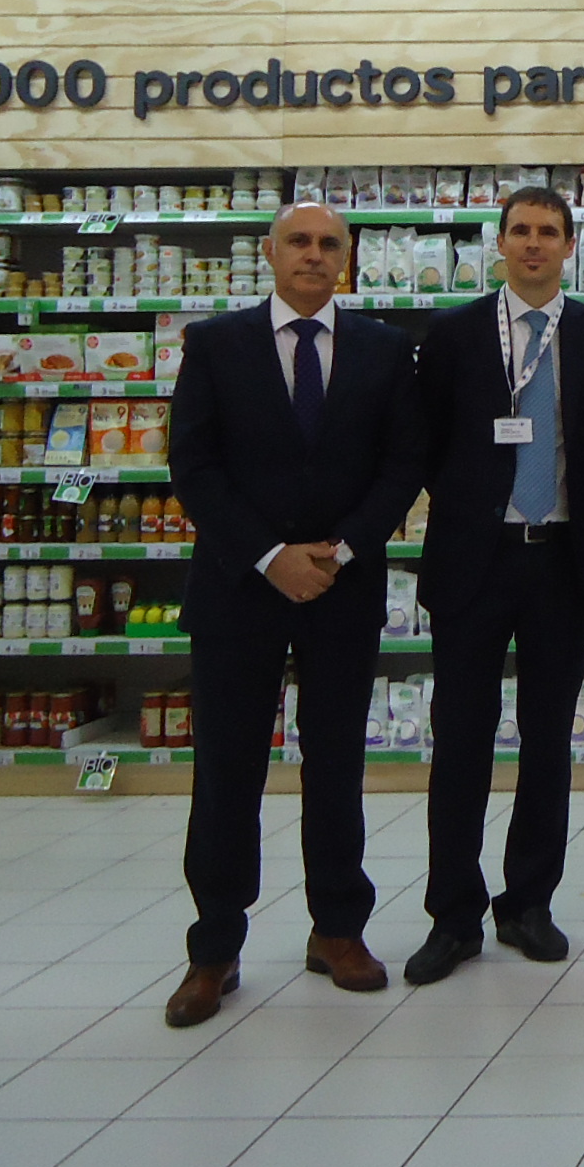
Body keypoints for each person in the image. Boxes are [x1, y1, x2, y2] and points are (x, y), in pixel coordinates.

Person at [161, 201, 426, 1027]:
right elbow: (193, 465)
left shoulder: (384, 348)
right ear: (270, 253)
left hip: (342, 588)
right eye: (300, 242)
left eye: (328, 244)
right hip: (238, 587)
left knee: (337, 763)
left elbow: (402, 464)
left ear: (347, 257)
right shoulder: (216, 343)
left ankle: (338, 928)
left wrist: (339, 551)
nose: (314, 254)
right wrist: (270, 555)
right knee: (227, 768)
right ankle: (214, 947)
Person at [406, 186, 584, 983]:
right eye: (521, 231)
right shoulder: (453, 333)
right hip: (475, 559)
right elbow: (428, 441)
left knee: (547, 741)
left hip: (560, 559)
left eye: (548, 231)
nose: (534, 243)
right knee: (460, 741)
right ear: (499, 243)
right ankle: (453, 915)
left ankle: (529, 902)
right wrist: (475, 503)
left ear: (570, 246)